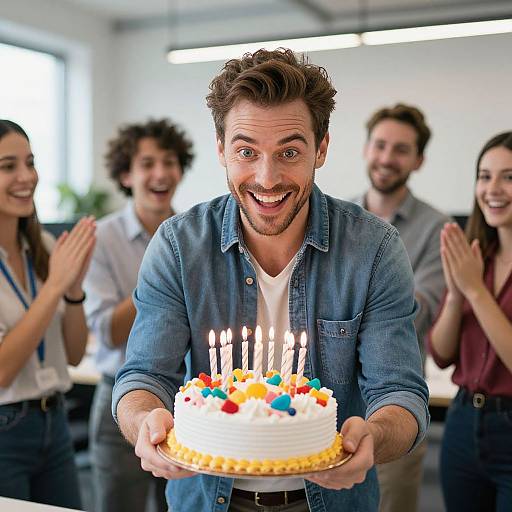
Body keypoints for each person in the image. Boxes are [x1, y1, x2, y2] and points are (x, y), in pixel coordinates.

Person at [112, 49, 429, 512]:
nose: (267, 177)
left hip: (334, 500)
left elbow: (400, 392)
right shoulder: (179, 246)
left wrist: (374, 437)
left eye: (289, 151)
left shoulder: (374, 249)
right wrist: (144, 421)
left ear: (321, 148)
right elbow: (142, 375)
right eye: (246, 151)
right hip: (204, 499)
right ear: (220, 148)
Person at [83, 118, 194, 512]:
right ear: (126, 175)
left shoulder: (196, 235)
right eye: (147, 163)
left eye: (169, 161)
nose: (160, 173)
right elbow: (107, 331)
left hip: (184, 403)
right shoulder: (102, 238)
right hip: (121, 405)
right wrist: (159, 271)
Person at [354, 103, 450, 512]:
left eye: (401, 149)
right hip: (328, 405)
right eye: (380, 145)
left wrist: (346, 302)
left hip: (394, 408)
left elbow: (417, 313)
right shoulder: (335, 219)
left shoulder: (438, 229)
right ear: (366, 148)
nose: (387, 158)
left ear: (419, 159)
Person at [0, 120, 96, 508]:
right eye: (8, 166)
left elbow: (73, 354)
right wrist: (56, 285)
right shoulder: (51, 262)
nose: (27, 177)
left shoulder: (41, 245)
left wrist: (72, 292)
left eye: (31, 162)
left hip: (53, 422)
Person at [429, 131, 512, 512]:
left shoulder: (474, 274)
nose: (492, 188)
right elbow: (442, 354)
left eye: (508, 177)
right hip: (463, 422)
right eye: (484, 175)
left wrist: (476, 291)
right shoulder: (476, 255)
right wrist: (458, 294)